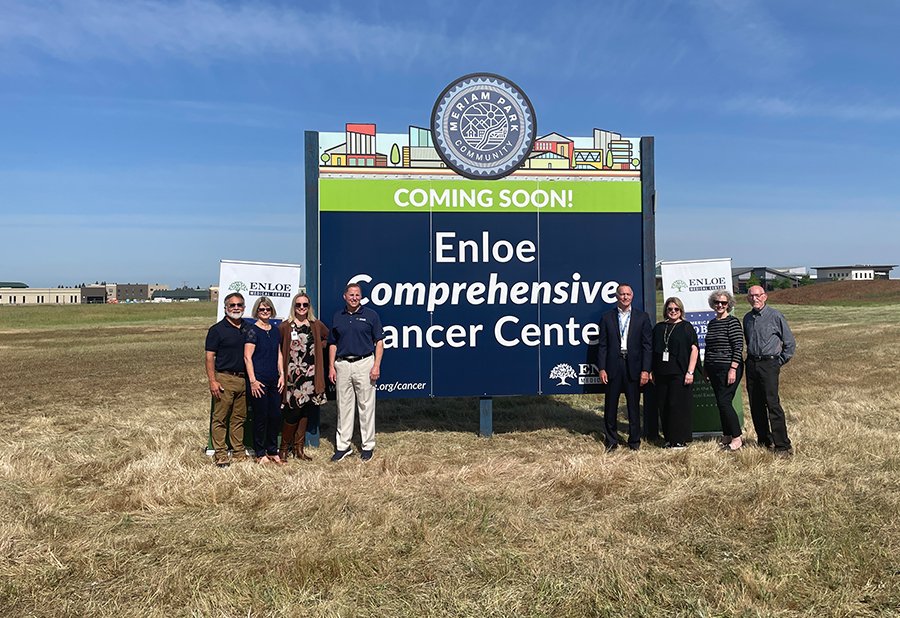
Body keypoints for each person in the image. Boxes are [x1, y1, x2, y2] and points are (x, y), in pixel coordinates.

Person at [328, 283, 384, 462]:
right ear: (345, 296)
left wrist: (376, 366)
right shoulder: (338, 316)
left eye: (357, 295)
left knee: (366, 407)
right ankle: (343, 446)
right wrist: (331, 366)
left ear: (361, 297)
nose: (354, 298)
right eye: (351, 295)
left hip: (364, 363)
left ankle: (367, 446)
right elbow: (333, 343)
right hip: (343, 365)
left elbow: (379, 342)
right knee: (343, 407)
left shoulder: (371, 315)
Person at [597, 283, 652, 451]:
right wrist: (602, 368)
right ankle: (611, 441)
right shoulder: (607, 317)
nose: (625, 297)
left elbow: (647, 346)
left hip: (633, 366)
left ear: (632, 296)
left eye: (628, 294)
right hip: (613, 365)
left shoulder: (642, 317)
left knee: (633, 406)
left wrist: (646, 370)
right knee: (611, 405)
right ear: (616, 296)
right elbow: (602, 346)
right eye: (622, 294)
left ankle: (634, 441)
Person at [743, 285, 796, 457]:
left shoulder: (775, 316)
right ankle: (764, 440)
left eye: (758, 295)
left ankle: (782, 445)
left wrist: (778, 361)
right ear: (748, 298)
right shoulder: (747, 318)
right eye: (751, 296)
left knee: (772, 404)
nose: (755, 299)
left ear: (765, 297)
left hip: (769, 364)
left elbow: (789, 343)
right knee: (755, 404)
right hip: (752, 363)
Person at [278, 292, 329, 461]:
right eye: (298, 305)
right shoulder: (286, 326)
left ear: (309, 307)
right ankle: (284, 449)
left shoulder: (315, 325)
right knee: (293, 411)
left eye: (305, 305)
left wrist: (318, 348)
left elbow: (328, 338)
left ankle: (299, 450)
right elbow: (279, 348)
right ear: (294, 307)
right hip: (293, 377)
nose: (301, 308)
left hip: (311, 376)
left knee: (306, 411)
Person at [205, 292, 251, 467]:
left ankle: (238, 451)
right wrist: (212, 380)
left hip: (244, 379)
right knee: (220, 417)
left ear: (244, 307)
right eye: (232, 305)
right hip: (224, 378)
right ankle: (221, 453)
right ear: (225, 308)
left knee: (239, 417)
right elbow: (209, 357)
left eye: (239, 305)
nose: (236, 308)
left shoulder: (248, 328)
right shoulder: (216, 330)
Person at [650, 297, 700, 449]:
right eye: (670, 309)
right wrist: (651, 370)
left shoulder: (686, 327)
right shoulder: (659, 328)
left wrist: (690, 372)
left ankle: (679, 439)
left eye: (676, 309)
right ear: (665, 310)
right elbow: (652, 351)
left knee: (677, 406)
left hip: (680, 373)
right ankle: (668, 438)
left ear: (681, 311)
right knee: (664, 405)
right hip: (661, 373)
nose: (673, 312)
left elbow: (694, 350)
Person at [243, 297, 285, 464]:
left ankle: (272, 450)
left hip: (274, 379)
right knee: (261, 416)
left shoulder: (275, 331)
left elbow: (279, 354)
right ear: (256, 312)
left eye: (268, 309)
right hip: (258, 381)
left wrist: (282, 374)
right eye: (262, 310)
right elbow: (247, 357)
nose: (265, 312)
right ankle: (260, 453)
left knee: (275, 415)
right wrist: (253, 380)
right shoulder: (252, 331)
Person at [704, 290, 744, 451]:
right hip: (713, 368)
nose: (720, 305)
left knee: (724, 402)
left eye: (723, 303)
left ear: (729, 304)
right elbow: (709, 347)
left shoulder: (732, 322)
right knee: (721, 403)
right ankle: (727, 435)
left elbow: (738, 347)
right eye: (717, 302)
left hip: (729, 367)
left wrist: (733, 369)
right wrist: (706, 369)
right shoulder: (712, 323)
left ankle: (737, 437)